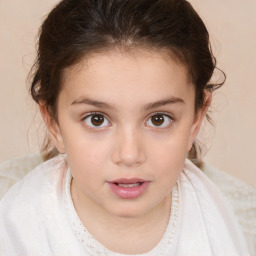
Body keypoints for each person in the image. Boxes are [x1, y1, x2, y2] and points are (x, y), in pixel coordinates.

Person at [0, 0, 251, 255]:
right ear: (53, 122)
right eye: (96, 119)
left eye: (158, 119)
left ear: (196, 118)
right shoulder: (20, 229)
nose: (129, 155)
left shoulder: (214, 218)